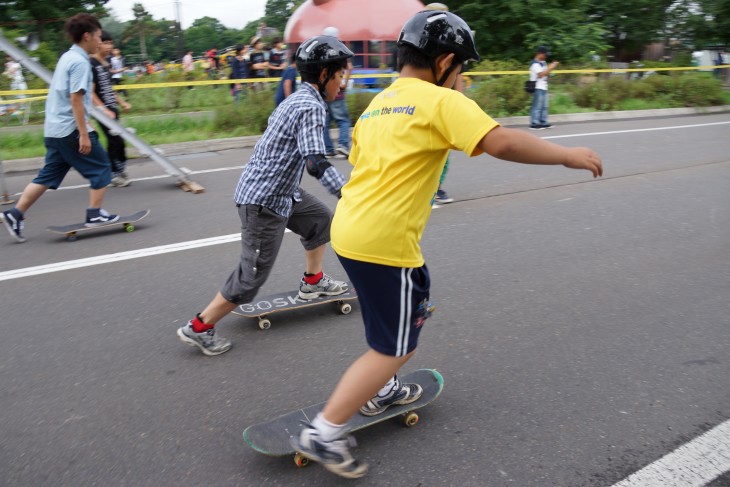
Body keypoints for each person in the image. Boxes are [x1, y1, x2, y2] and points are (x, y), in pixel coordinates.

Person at [290, 10, 602, 479]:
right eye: (462, 70)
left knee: (402, 308)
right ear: (445, 62)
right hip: (383, 241)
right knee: (395, 345)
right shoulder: (439, 101)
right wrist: (566, 156)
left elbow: (363, 161)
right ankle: (324, 432)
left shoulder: (377, 104)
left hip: (352, 231)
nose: (462, 80)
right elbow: (501, 143)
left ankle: (383, 384)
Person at [176, 36, 355, 356]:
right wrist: (347, 193)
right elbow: (315, 162)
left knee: (319, 220)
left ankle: (312, 282)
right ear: (325, 73)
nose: (342, 84)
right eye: (341, 75)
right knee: (250, 278)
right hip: (263, 201)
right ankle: (200, 327)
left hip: (281, 191)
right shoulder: (311, 106)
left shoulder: (297, 99)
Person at [1, 14, 119, 243]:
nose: (99, 40)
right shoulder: (80, 62)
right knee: (102, 166)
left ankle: (14, 214)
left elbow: (71, 99)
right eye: (97, 36)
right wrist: (84, 132)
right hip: (70, 130)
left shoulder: (67, 57)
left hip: (54, 129)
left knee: (47, 176)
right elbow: (76, 99)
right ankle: (95, 215)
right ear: (87, 36)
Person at [91, 31, 132, 187]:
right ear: (98, 43)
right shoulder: (92, 64)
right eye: (106, 43)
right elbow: (91, 91)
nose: (110, 47)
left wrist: (122, 103)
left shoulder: (106, 63)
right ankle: (114, 174)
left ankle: (116, 171)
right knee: (117, 141)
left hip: (112, 108)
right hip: (102, 112)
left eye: (111, 43)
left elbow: (110, 89)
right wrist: (103, 110)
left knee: (114, 142)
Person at [321, 26, 352, 159]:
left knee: (325, 122)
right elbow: (349, 67)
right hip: (337, 92)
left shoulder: (322, 51)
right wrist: (344, 83)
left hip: (324, 93)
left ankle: (328, 149)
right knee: (343, 120)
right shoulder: (340, 50)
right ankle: (343, 146)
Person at [529, 45, 559, 130]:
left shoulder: (543, 63)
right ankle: (534, 123)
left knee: (545, 106)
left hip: (544, 86)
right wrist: (551, 67)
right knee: (537, 106)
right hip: (537, 87)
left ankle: (543, 122)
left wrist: (550, 70)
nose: (546, 57)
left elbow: (546, 73)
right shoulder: (535, 64)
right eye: (545, 55)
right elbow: (541, 75)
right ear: (539, 54)